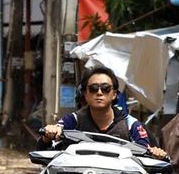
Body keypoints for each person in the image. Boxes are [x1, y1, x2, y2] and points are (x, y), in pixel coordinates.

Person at [38, 66, 168, 159]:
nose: (99, 93)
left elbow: (146, 154)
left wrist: (157, 155)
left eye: (105, 88)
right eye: (93, 88)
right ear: (85, 94)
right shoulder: (72, 120)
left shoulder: (132, 125)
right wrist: (48, 136)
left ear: (114, 94)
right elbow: (44, 150)